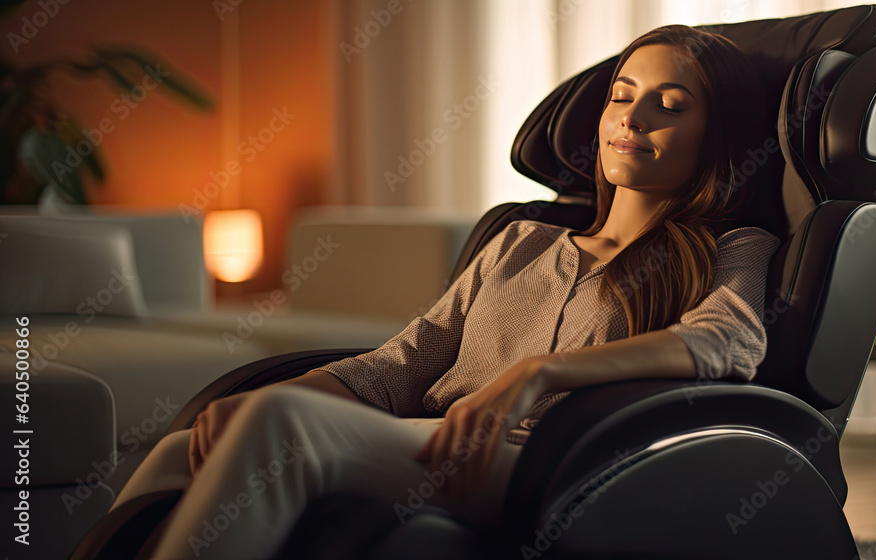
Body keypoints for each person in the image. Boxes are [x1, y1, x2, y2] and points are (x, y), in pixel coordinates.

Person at [105, 24, 781, 560]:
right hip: (428, 441)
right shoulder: (520, 241)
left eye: (671, 106)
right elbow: (399, 366)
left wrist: (537, 373)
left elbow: (729, 341)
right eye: (622, 95)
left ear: (714, 138)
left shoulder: (731, 245)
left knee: (277, 428)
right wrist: (264, 395)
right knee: (186, 443)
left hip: (542, 462)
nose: (632, 119)